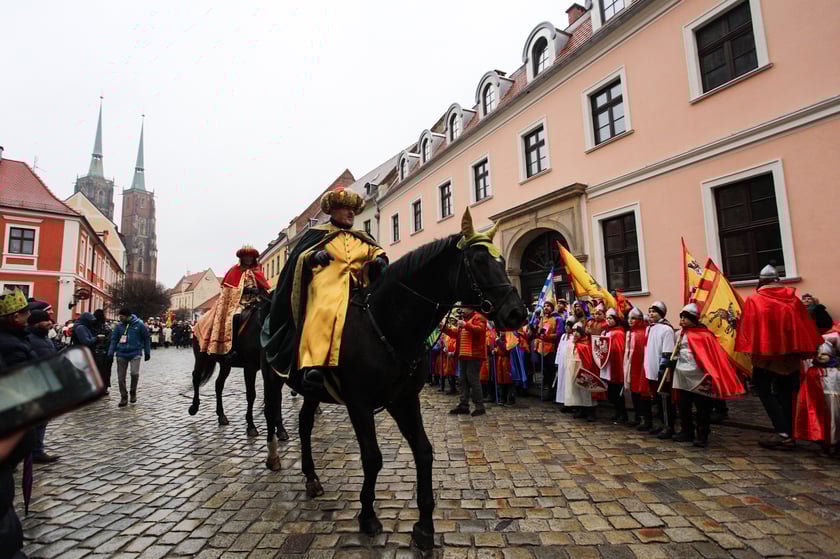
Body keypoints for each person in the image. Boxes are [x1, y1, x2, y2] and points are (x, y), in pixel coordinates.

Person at [263, 187, 387, 387]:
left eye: (353, 210)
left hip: (359, 287)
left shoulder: (361, 236)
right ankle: (314, 364)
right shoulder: (317, 234)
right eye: (346, 208)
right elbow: (299, 258)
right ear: (333, 211)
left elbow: (376, 250)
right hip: (326, 286)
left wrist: (381, 259)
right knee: (323, 308)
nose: (351, 213)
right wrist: (313, 256)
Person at [737, 265, 822, 449]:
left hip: (766, 355)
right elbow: (803, 327)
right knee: (788, 394)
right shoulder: (793, 300)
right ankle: (790, 433)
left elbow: (750, 328)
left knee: (763, 390)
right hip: (790, 355)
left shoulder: (754, 300)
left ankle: (784, 432)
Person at [670, 304, 745, 447]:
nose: (683, 320)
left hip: (699, 377)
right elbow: (677, 352)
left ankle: (702, 434)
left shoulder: (705, 335)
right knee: (683, 406)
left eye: (686, 317)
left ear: (693, 319)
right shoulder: (679, 334)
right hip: (681, 375)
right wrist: (672, 361)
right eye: (682, 317)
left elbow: (711, 357)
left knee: (702, 408)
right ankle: (687, 431)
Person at [0, 290, 38, 559]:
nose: (30, 317)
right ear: (15, 316)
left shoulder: (14, 341)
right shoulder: (10, 346)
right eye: (26, 312)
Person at [26, 309, 60, 464]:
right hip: (33, 383)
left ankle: (37, 451)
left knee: (42, 419)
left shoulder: (45, 338)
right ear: (36, 322)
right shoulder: (29, 338)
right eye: (46, 320)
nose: (49, 323)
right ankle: (27, 452)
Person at [448, 310, 489, 417]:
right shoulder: (465, 319)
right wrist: (444, 328)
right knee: (462, 380)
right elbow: (455, 333)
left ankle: (479, 406)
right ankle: (464, 404)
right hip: (463, 354)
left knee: (473, 380)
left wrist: (466, 325)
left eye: (464, 307)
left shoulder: (479, 317)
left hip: (474, 355)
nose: (462, 310)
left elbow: (480, 330)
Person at [108, 308, 151, 407]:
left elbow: (146, 338)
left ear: (127, 316)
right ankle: (123, 396)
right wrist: (110, 352)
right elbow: (114, 340)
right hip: (121, 353)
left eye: (121, 316)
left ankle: (133, 392)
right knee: (120, 378)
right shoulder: (119, 326)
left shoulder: (139, 324)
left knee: (134, 373)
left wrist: (147, 352)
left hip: (135, 352)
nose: (120, 318)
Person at [645, 301, 676, 438]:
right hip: (651, 370)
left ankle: (669, 426)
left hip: (661, 373)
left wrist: (663, 371)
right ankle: (661, 423)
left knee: (665, 401)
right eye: (650, 311)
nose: (651, 314)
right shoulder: (650, 328)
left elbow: (667, 352)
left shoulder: (667, 329)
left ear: (661, 313)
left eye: (654, 311)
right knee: (657, 400)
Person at [623, 308, 651, 431]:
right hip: (631, 367)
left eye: (633, 318)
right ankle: (637, 416)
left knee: (642, 394)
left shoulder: (643, 333)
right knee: (634, 393)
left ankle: (645, 418)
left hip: (641, 367)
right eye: (629, 318)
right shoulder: (629, 333)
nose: (630, 321)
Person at [564, 321, 597, 421]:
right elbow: (567, 358)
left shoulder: (586, 344)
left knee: (585, 391)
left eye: (577, 331)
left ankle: (590, 412)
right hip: (573, 368)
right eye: (573, 331)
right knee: (576, 391)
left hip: (582, 369)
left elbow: (588, 360)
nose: (574, 333)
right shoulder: (572, 344)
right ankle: (581, 409)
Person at [602, 308, 628, 424]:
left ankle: (622, 414)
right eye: (607, 318)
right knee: (612, 392)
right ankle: (618, 413)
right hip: (608, 365)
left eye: (611, 318)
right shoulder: (607, 331)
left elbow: (618, 350)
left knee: (617, 393)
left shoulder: (618, 333)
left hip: (616, 365)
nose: (608, 320)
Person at [533, 300, 561, 397]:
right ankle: (549, 391)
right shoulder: (541, 319)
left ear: (552, 307)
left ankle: (554, 392)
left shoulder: (557, 319)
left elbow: (558, 335)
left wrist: (545, 337)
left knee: (552, 371)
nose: (546, 307)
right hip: (541, 349)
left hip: (551, 349)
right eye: (545, 306)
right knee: (544, 372)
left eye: (548, 306)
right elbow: (537, 333)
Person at [554, 318, 575, 411]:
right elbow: (559, 349)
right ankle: (562, 401)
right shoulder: (563, 336)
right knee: (562, 381)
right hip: (562, 362)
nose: (567, 327)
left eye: (569, 325)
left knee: (568, 382)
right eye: (566, 325)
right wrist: (557, 361)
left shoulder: (573, 337)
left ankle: (570, 403)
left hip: (569, 362)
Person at [92, 309, 113, 394]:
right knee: (106, 370)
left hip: (94, 351)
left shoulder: (91, 327)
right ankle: (104, 387)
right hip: (105, 352)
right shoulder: (107, 327)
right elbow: (110, 340)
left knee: (95, 370)